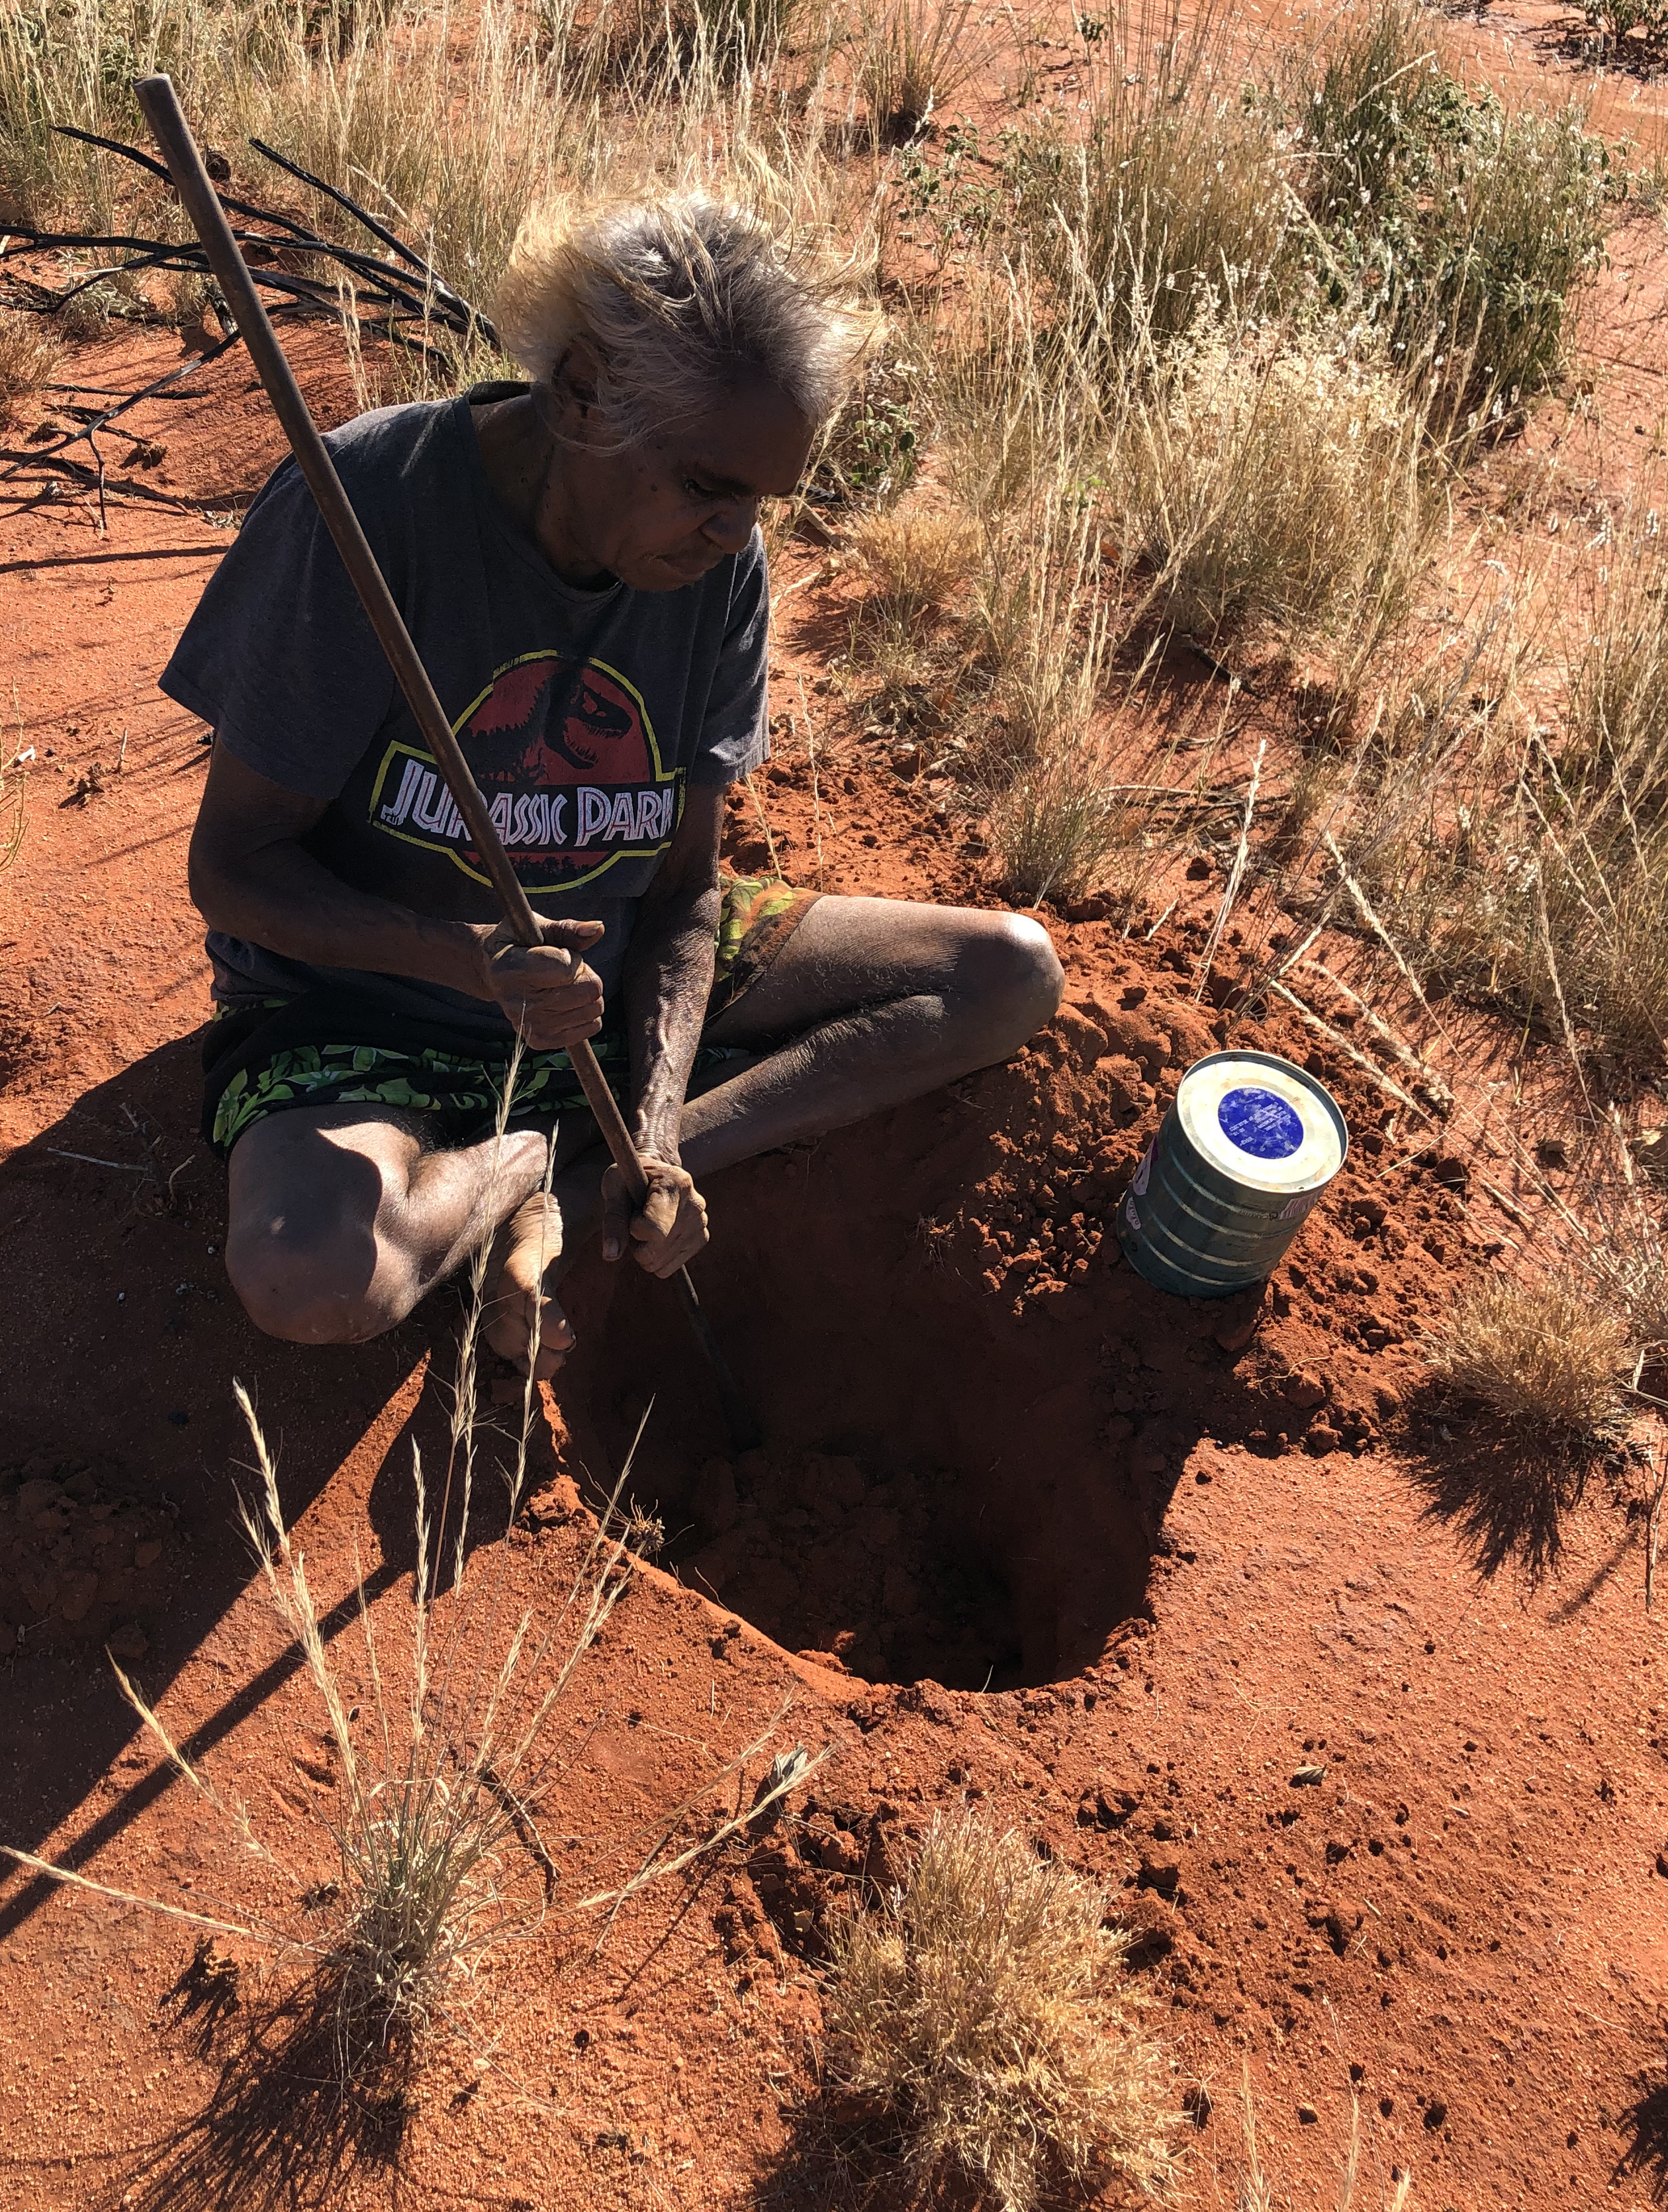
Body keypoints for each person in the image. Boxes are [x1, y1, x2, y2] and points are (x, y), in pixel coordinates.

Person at [161, 190, 1064, 1368]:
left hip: (613, 978)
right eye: (707, 487)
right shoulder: (370, 508)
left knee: (1004, 974)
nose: (734, 536)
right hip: (367, 1000)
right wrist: (465, 959)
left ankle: (583, 1174)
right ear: (583, 390)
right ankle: (532, 1157)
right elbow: (233, 870)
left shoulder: (713, 570)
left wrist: (655, 1136)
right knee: (312, 1272)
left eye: (759, 501)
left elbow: (688, 888)